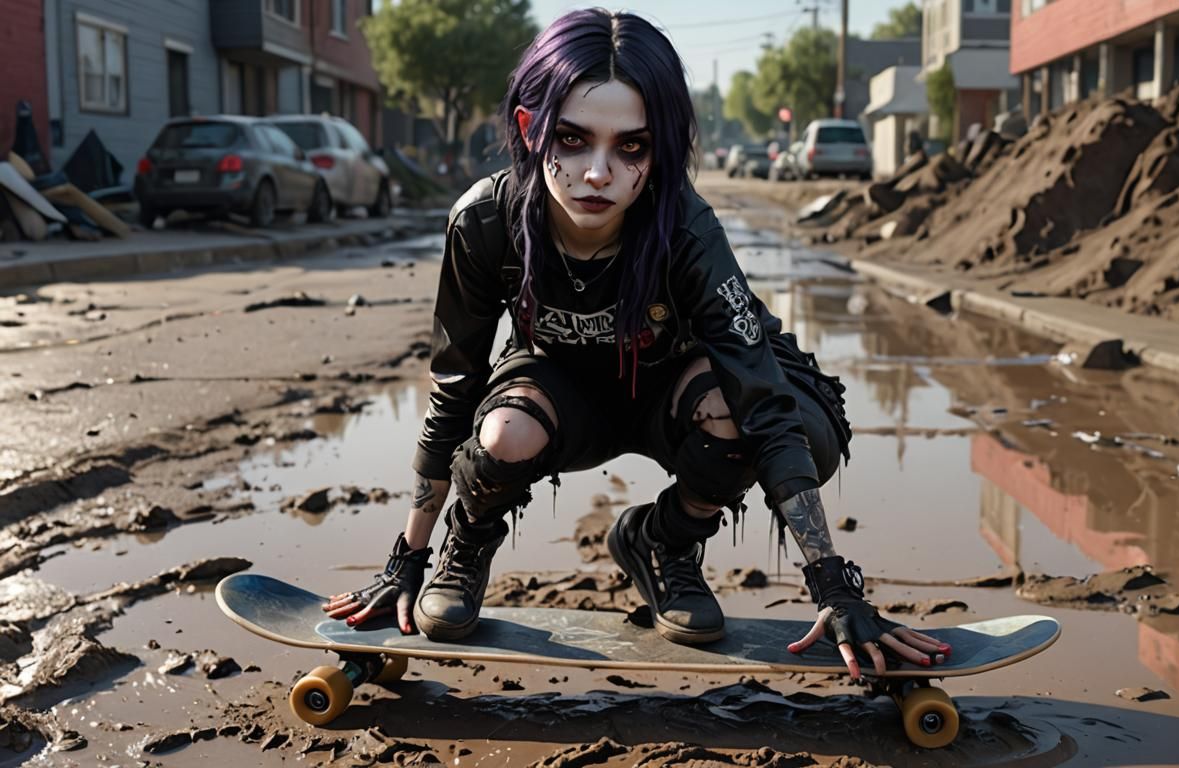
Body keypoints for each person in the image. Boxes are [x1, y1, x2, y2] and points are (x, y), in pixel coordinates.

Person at [321, 8, 950, 679]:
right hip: (560, 392)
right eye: (572, 139)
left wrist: (833, 586)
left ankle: (664, 543)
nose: (598, 173)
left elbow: (763, 399)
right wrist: (406, 562)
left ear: (659, 150)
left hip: (675, 390)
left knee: (764, 423)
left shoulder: (686, 229)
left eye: (631, 147)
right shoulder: (484, 222)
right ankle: (467, 549)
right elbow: (454, 388)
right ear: (532, 130)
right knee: (502, 431)